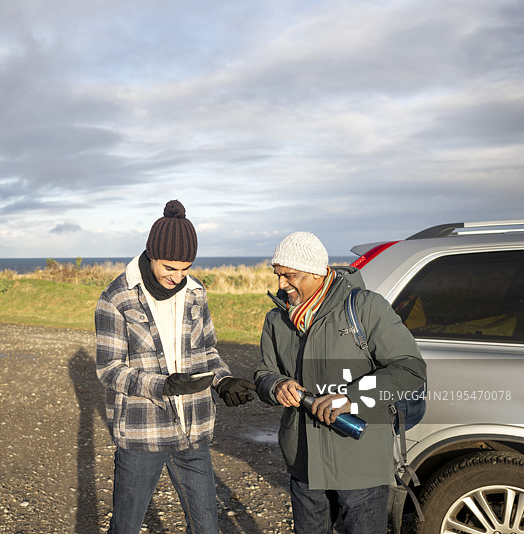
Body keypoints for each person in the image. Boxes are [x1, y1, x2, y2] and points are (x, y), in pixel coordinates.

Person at [95, 199, 256, 534]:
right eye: (170, 267)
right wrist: (162, 385)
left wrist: (222, 381)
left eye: (186, 267)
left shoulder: (196, 293)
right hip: (143, 434)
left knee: (207, 527)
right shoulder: (116, 298)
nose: (178, 277)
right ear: (151, 254)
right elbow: (109, 370)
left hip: (193, 430)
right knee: (125, 527)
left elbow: (207, 351)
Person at [254, 231, 426, 534]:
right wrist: (275, 385)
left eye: (289, 275)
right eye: (278, 275)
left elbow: (410, 370)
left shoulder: (365, 308)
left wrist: (351, 398)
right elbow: (264, 372)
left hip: (360, 462)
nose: (281, 284)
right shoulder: (276, 320)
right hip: (303, 461)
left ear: (316, 272)